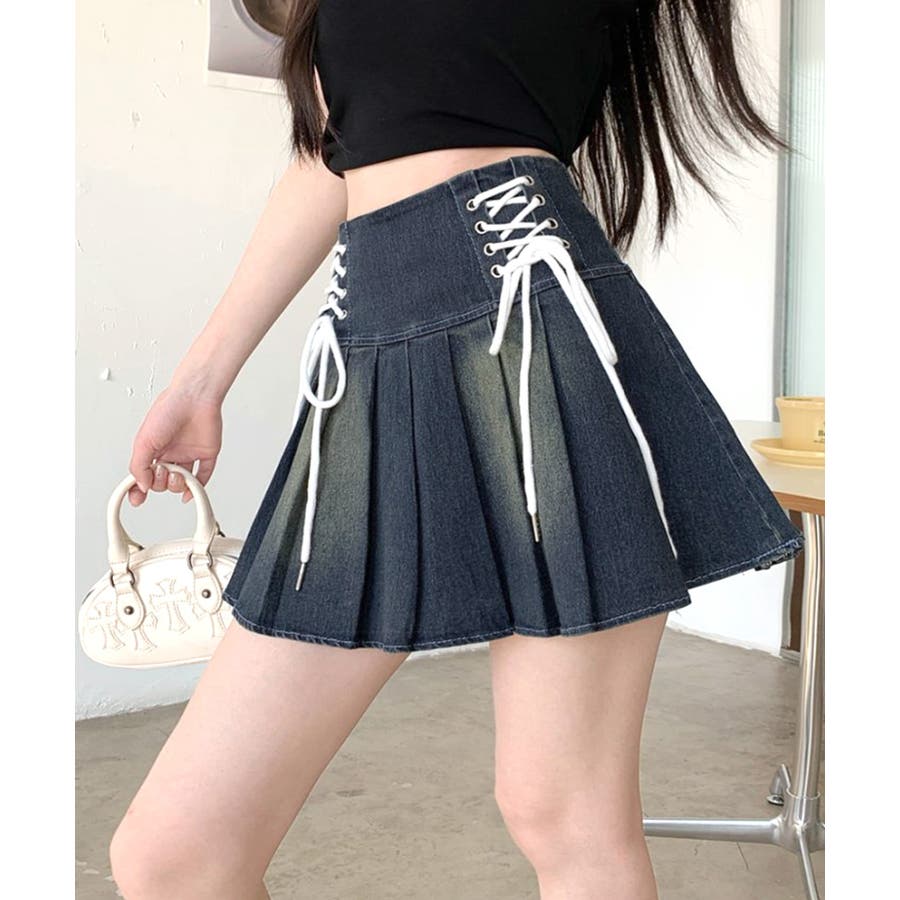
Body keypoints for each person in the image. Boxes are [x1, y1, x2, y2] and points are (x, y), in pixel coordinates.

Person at [108, 1, 804, 897]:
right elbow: (333, 157)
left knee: (561, 813)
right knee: (172, 855)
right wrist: (199, 383)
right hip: (367, 358)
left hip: (528, 327)